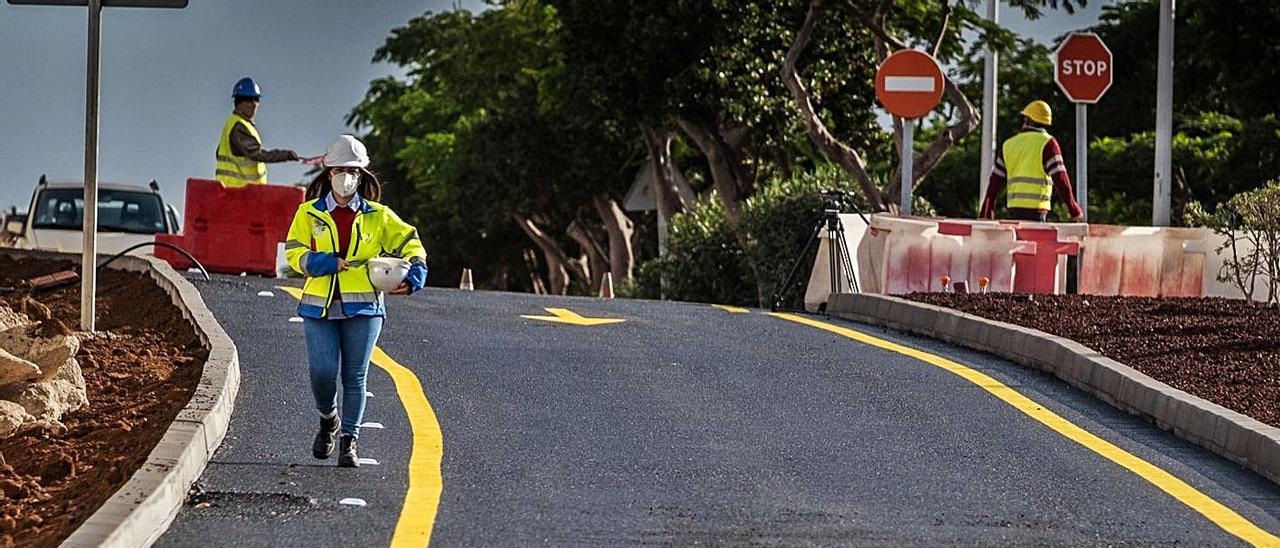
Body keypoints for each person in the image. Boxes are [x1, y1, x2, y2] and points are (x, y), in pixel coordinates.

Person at [284, 135, 428, 467]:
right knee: (322, 372)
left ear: (361, 174)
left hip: (365, 306)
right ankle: (328, 419)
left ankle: (349, 440)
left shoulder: (379, 215)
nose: (346, 176)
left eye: (352, 170)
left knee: (355, 375)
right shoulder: (308, 213)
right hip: (320, 305)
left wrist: (415, 273)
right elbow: (293, 252)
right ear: (328, 172)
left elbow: (411, 242)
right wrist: (321, 263)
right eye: (340, 169)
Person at [979, 100, 1084, 223]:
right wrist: (1073, 209)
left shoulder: (1008, 144)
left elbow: (995, 182)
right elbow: (1061, 178)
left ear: (1028, 120)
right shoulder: (1048, 143)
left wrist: (986, 210)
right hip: (1037, 211)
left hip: (1014, 209)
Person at [215, 77, 300, 187]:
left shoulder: (235, 124)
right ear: (239, 103)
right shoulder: (239, 126)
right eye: (250, 100)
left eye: (256, 99)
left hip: (239, 191)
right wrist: (285, 155)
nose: (254, 104)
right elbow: (256, 154)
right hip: (238, 190)